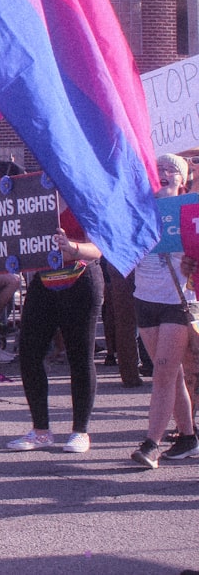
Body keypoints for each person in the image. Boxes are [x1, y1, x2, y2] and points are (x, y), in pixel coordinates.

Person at [7, 199, 104, 454]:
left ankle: (80, 431)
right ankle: (40, 431)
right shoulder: (34, 200)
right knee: (29, 353)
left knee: (80, 356)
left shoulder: (83, 199)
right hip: (45, 280)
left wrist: (71, 247)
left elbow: (99, 249)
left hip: (81, 279)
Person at [130, 153, 199, 467]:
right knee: (174, 374)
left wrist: (192, 264)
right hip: (145, 299)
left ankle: (151, 444)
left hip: (177, 302)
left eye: (172, 169)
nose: (165, 173)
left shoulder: (191, 212)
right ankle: (187, 437)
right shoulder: (138, 211)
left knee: (163, 373)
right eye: (159, 169)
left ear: (182, 181)